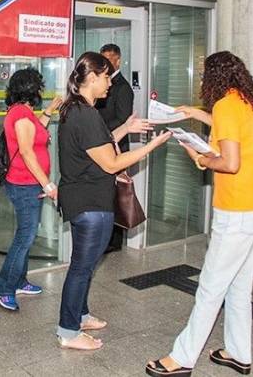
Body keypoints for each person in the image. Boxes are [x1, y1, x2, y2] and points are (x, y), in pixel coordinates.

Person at [146, 51, 253, 377]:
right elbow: (231, 131)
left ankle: (182, 358)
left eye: (205, 75)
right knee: (239, 287)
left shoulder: (226, 106)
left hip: (237, 211)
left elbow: (230, 163)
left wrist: (202, 159)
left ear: (216, 78)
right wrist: (196, 115)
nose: (202, 81)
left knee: (210, 286)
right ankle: (238, 352)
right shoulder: (247, 102)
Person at [57, 52, 170, 350]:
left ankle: (79, 315)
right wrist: (153, 146)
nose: (110, 82)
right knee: (82, 267)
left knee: (84, 264)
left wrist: (125, 129)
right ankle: (68, 332)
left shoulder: (76, 109)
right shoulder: (86, 114)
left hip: (83, 200)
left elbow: (98, 145)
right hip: (90, 203)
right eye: (106, 76)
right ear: (92, 78)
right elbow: (110, 162)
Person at [0, 67, 61, 311]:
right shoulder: (21, 114)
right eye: (39, 87)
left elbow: (36, 132)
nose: (41, 90)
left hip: (28, 184)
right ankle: (4, 288)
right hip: (25, 185)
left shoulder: (24, 112)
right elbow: (26, 151)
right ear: (31, 89)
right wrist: (48, 183)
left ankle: (19, 281)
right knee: (25, 237)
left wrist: (50, 111)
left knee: (26, 235)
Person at [97, 44, 135, 253]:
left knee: (115, 193)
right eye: (103, 58)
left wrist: (98, 132)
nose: (106, 63)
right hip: (101, 145)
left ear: (118, 61)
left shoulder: (123, 87)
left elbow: (122, 119)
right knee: (105, 193)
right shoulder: (103, 84)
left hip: (116, 146)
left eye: (110, 59)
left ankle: (114, 241)